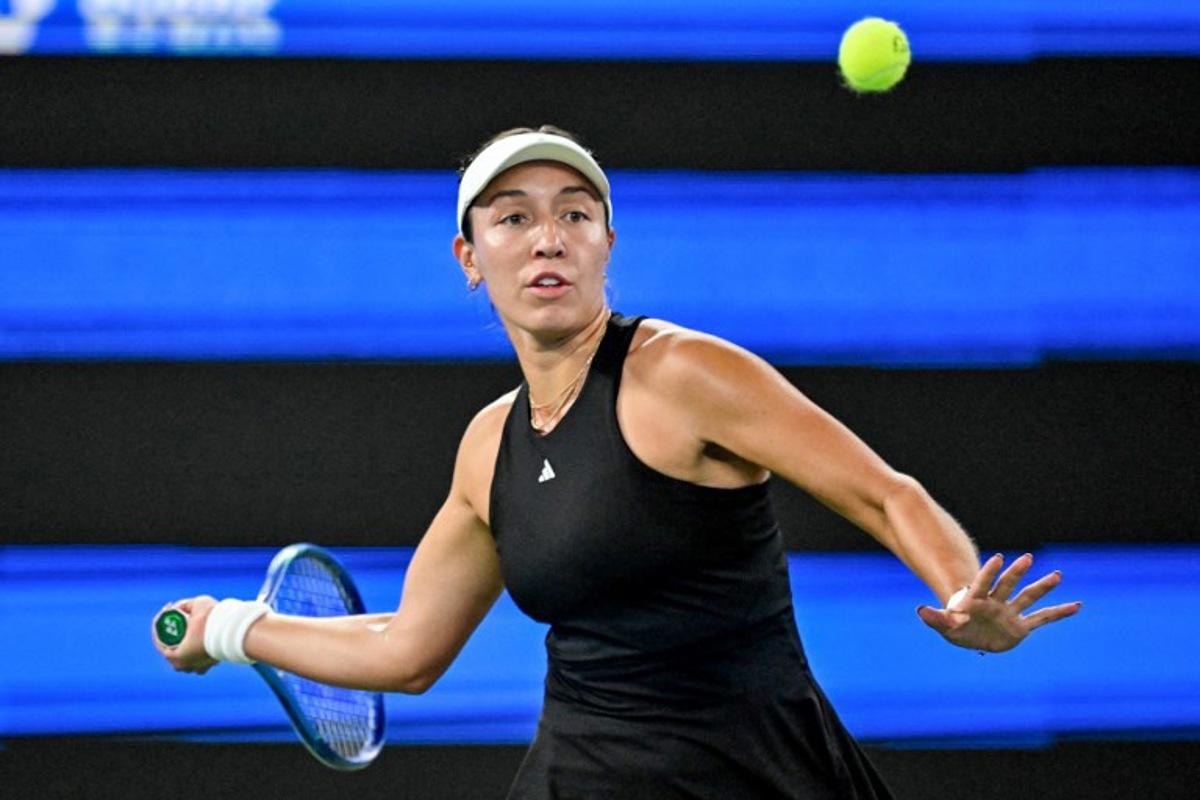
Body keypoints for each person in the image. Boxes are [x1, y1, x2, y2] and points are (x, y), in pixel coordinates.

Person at [155, 125, 1082, 798]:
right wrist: (232, 629)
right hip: (584, 776)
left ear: (607, 243)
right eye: (512, 218)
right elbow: (407, 650)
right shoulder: (489, 447)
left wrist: (964, 594)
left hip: (763, 775)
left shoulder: (683, 374)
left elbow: (884, 495)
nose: (547, 237)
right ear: (469, 257)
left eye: (575, 214)